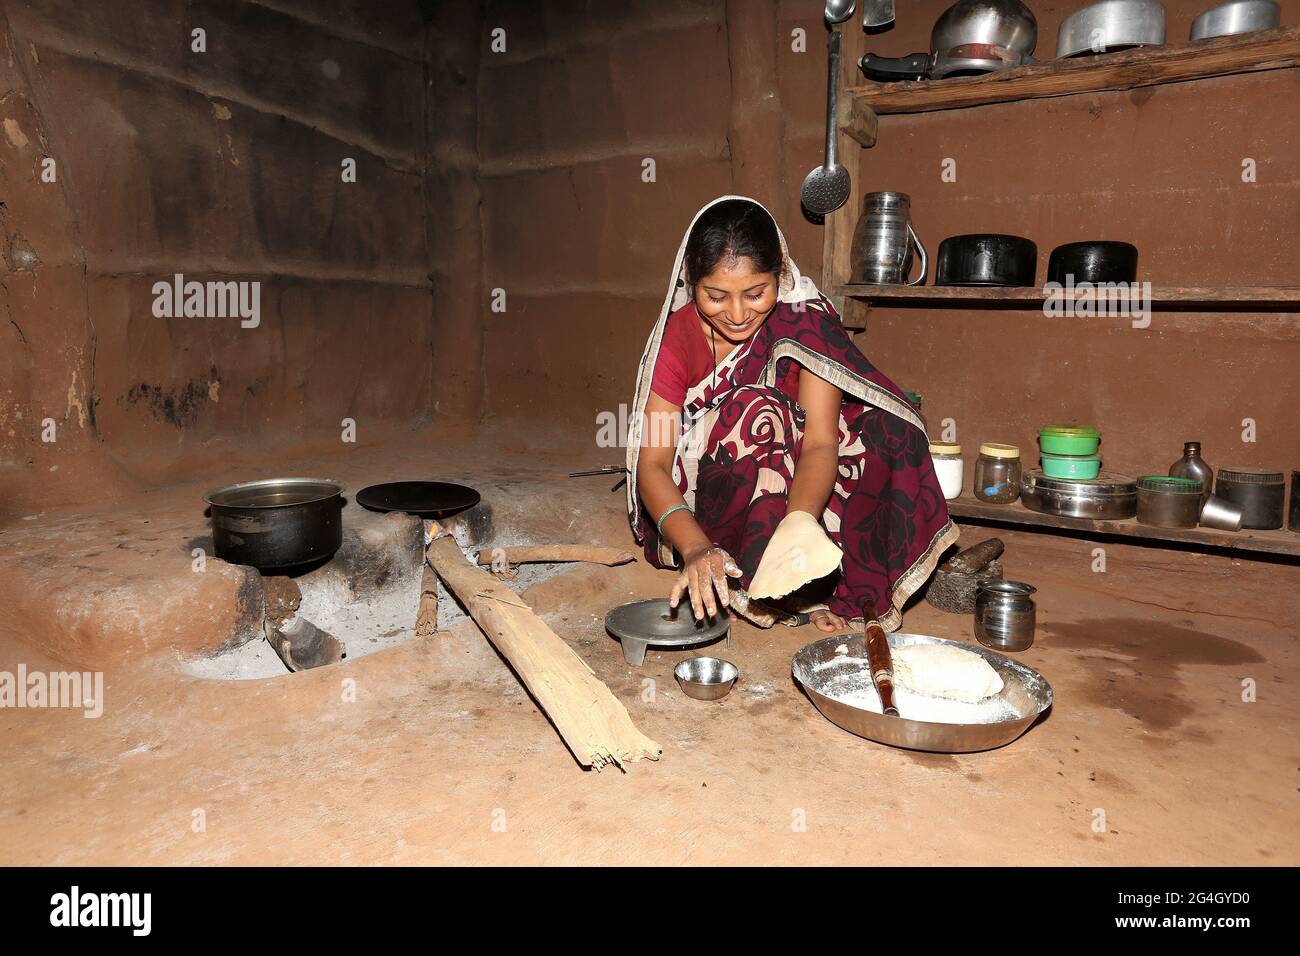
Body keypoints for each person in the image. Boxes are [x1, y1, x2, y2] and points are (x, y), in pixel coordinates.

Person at [626, 196, 957, 633]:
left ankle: (806, 579)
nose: (738, 314)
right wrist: (693, 548)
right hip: (697, 494)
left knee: (887, 428)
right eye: (716, 296)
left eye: (756, 293)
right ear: (692, 283)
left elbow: (821, 441)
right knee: (759, 410)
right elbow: (651, 466)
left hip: (798, 469)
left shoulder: (804, 321)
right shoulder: (677, 339)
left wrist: (798, 528)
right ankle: (740, 566)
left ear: (780, 277)